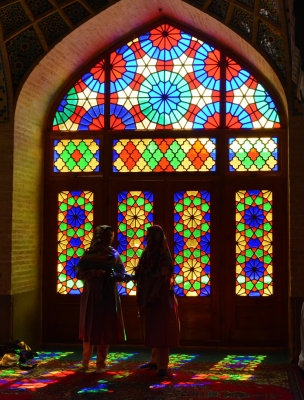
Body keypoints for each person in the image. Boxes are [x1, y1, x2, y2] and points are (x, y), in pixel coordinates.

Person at [76, 225, 127, 373]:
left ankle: (101, 363)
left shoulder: (114, 255)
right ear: (99, 236)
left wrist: (112, 275)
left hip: (108, 294)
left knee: (105, 327)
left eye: (111, 236)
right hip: (92, 294)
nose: (109, 239)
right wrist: (94, 272)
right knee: (90, 325)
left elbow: (122, 275)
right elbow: (79, 273)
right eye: (106, 236)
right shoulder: (88, 254)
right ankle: (85, 361)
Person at [134, 225, 180, 377]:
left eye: (152, 236)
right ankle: (154, 361)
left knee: (163, 331)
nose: (149, 239)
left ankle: (163, 366)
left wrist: (154, 292)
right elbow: (141, 271)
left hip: (161, 298)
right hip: (149, 296)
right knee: (153, 329)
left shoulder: (163, 256)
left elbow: (164, 277)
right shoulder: (147, 253)